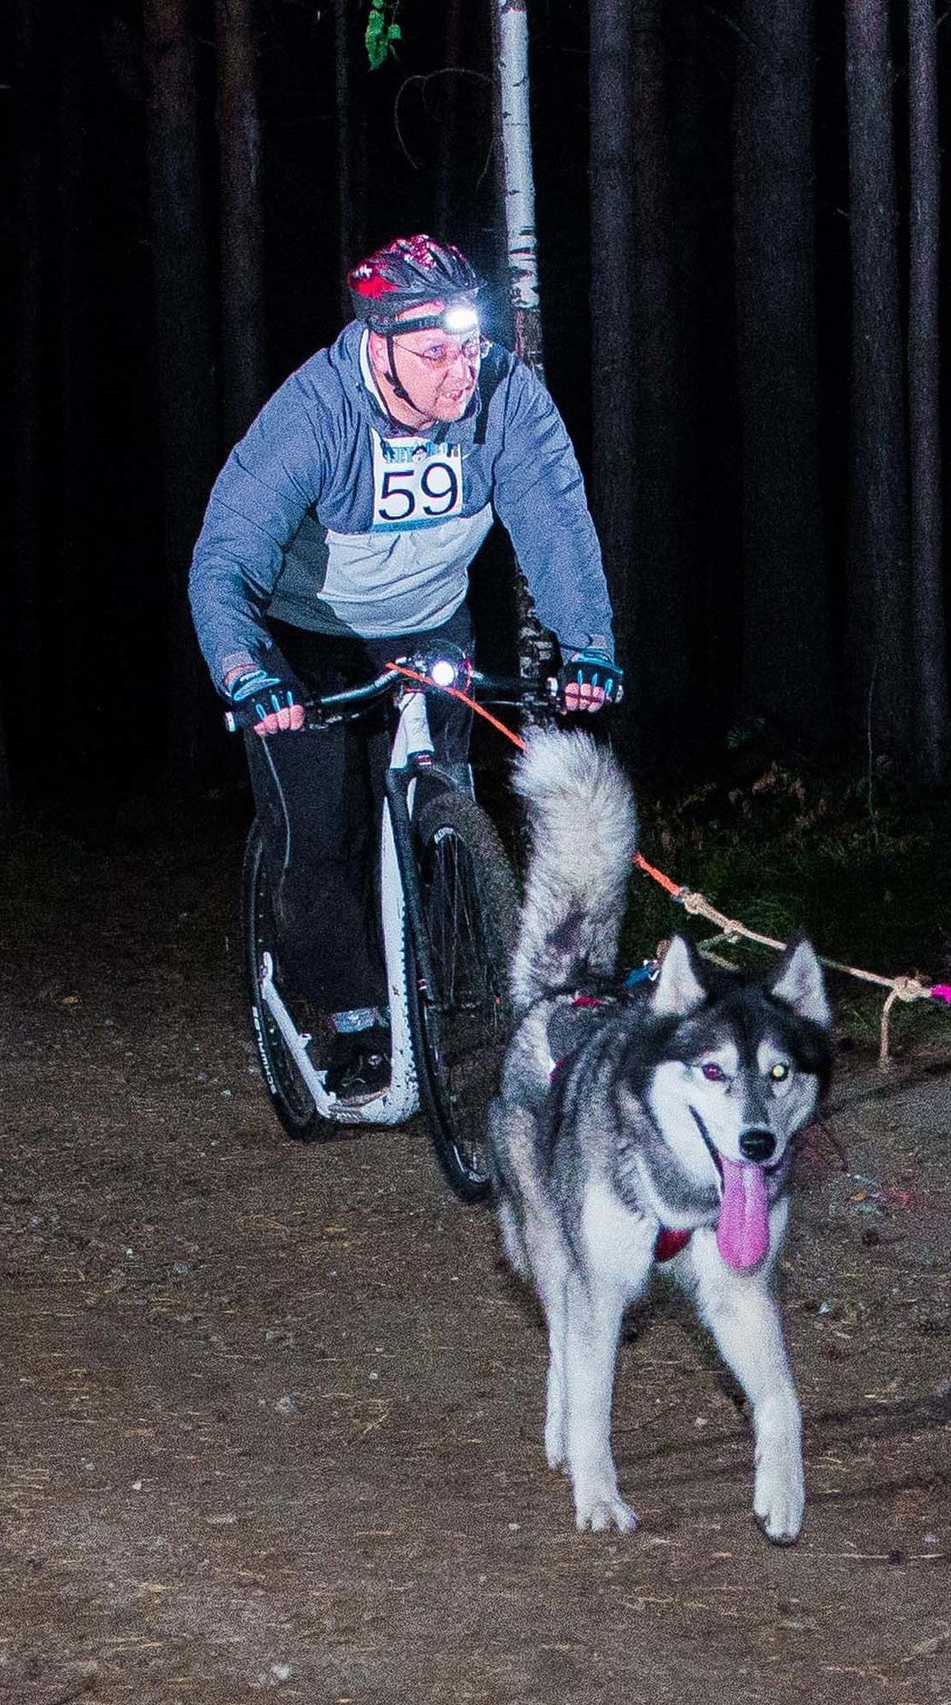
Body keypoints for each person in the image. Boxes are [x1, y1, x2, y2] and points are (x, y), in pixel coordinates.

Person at [189, 234, 621, 1101]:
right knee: (320, 833)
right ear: (378, 345)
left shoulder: (503, 397)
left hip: (427, 626)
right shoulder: (314, 411)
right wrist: (247, 670)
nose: (460, 374)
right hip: (302, 636)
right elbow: (225, 555)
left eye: (469, 346)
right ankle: (355, 1018)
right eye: (433, 354)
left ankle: (442, 960)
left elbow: (555, 520)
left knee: (433, 803)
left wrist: (589, 647)